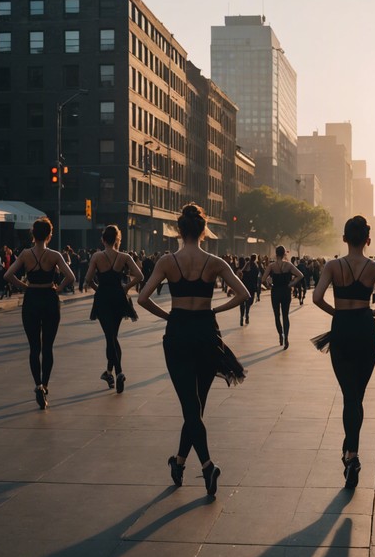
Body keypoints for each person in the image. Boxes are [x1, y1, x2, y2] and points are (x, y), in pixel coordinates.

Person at [138, 203, 249, 497]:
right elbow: (244, 294)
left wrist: (168, 316)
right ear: (203, 231)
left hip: (178, 333)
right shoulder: (214, 262)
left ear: (178, 230)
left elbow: (142, 298)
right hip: (205, 331)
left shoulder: (167, 262)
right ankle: (179, 461)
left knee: (190, 408)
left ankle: (208, 465)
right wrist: (216, 308)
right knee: (196, 407)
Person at [312, 216, 375, 489]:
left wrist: (337, 313)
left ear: (344, 239)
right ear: (368, 240)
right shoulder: (374, 267)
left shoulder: (332, 266)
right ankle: (351, 451)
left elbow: (317, 298)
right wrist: (372, 312)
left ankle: (351, 454)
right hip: (366, 328)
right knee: (358, 396)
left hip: (341, 328)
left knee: (348, 396)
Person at [4, 218, 75, 409]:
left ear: (33, 234)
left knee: (34, 347)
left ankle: (37, 385)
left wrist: (25, 286)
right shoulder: (54, 255)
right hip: (50, 299)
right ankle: (45, 385)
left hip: (32, 299)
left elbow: (8, 275)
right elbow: (71, 276)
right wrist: (58, 288)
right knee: (48, 347)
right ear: (49, 235)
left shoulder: (25, 254)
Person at [84, 224, 144, 393]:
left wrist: (98, 289)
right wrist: (126, 287)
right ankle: (110, 372)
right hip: (119, 298)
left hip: (103, 299)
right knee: (113, 336)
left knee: (110, 337)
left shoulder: (97, 256)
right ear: (118, 239)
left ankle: (118, 372)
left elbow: (88, 279)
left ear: (103, 240)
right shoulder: (124, 256)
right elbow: (140, 276)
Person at [262, 245, 304, 349]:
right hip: (286, 291)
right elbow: (300, 275)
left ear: (276, 254)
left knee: (277, 315)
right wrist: (291, 284)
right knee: (285, 316)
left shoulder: (271, 266)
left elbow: (263, 279)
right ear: (284, 253)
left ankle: (280, 335)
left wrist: (269, 285)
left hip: (275, 291)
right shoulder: (289, 265)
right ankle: (286, 338)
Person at [238, 253, 261, 326]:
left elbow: (241, 272)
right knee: (248, 302)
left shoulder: (249, 264)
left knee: (243, 302)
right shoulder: (254, 266)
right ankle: (246, 315)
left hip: (245, 286)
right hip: (251, 287)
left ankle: (242, 316)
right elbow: (257, 279)